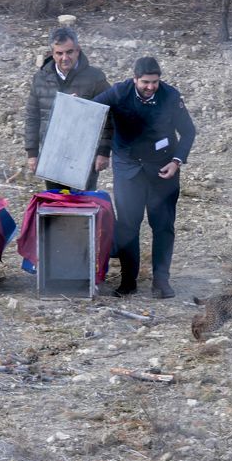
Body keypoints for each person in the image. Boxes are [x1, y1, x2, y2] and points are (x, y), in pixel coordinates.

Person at [93, 57, 196, 299]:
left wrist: (177, 161)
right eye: (145, 82)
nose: (150, 87)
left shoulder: (170, 96)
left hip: (162, 169)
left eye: (155, 82)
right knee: (128, 226)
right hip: (128, 168)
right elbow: (92, 109)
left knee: (163, 226)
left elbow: (189, 131)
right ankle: (128, 280)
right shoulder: (119, 92)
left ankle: (161, 281)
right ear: (135, 79)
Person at [23, 27, 111, 191]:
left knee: (83, 207)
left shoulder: (95, 78)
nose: (65, 58)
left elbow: (109, 116)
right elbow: (32, 117)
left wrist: (104, 151)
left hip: (84, 156)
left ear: (78, 50)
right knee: (56, 204)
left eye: (69, 52)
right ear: (52, 53)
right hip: (51, 154)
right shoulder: (40, 78)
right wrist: (32, 154)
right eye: (59, 53)